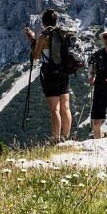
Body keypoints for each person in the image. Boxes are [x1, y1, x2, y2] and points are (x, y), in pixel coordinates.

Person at [23, 8, 71, 142]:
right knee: (65, 106)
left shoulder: (44, 36)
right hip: (64, 73)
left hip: (50, 74)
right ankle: (66, 136)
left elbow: (36, 55)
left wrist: (33, 40)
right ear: (55, 21)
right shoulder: (63, 33)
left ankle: (56, 139)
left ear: (43, 22)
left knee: (55, 109)